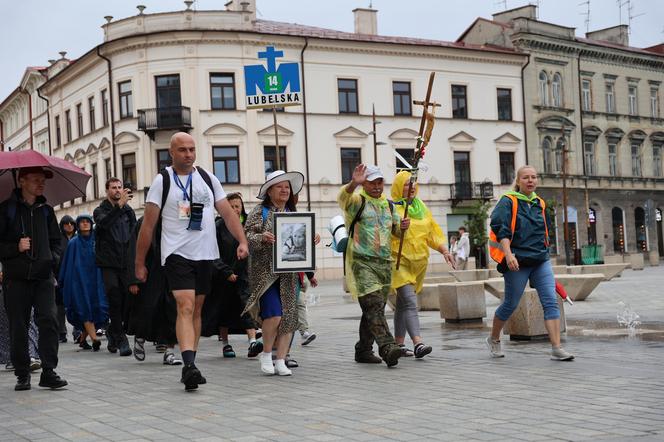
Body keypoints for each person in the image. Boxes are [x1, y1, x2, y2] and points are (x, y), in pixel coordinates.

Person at [136, 132, 248, 391]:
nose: (188, 154)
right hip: (176, 254)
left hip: (206, 254)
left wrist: (242, 241)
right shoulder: (162, 181)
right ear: (171, 153)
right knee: (184, 306)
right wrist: (139, 263)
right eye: (182, 150)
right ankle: (188, 364)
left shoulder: (208, 178)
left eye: (191, 149)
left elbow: (228, 214)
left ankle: (191, 362)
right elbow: (148, 226)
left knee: (197, 309)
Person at [486, 165, 574, 361]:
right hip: (517, 261)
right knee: (510, 304)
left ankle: (556, 348)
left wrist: (545, 253)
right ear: (518, 181)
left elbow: (545, 231)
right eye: (526, 177)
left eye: (534, 177)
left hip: (540, 260)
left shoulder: (540, 203)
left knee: (551, 302)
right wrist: (508, 255)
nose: (530, 180)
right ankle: (494, 339)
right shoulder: (508, 201)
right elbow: (502, 231)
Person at [243, 170, 318, 376]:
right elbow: (247, 236)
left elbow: (301, 243)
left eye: (287, 187)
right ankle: (267, 353)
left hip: (289, 275)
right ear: (269, 191)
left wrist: (312, 238)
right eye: (279, 186)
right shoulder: (260, 212)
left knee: (289, 318)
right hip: (265, 275)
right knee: (274, 315)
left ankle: (281, 359)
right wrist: (261, 238)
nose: (285, 190)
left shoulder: (295, 214)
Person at [0, 166, 68, 390]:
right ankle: (22, 373)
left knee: (49, 320)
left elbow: (57, 242)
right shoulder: (6, 210)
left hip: (43, 277)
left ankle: (49, 371)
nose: (41, 184)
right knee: (18, 326)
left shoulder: (46, 211)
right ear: (22, 181)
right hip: (16, 279)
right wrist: (15, 247)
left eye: (43, 180)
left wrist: (52, 259)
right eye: (36, 180)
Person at [338, 164, 409, 368]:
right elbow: (343, 199)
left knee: (374, 307)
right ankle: (387, 347)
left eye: (379, 182)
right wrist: (353, 183)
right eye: (372, 182)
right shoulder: (357, 201)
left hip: (384, 264)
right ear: (365, 183)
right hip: (362, 262)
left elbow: (395, 231)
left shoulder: (389, 205)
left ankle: (363, 349)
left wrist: (402, 227)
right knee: (373, 305)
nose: (377, 186)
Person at [389, 171, 456, 358]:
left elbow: (432, 233)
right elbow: (384, 232)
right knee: (410, 302)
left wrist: (444, 251)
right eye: (405, 184)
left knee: (403, 305)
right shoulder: (392, 208)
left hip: (418, 264)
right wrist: (397, 229)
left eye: (413, 183)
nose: (411, 187)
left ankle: (399, 345)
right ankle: (418, 343)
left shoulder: (421, 208)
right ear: (397, 187)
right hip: (399, 262)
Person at [201, 192, 262, 359]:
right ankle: (226, 344)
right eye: (231, 206)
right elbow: (212, 253)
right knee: (224, 310)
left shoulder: (249, 225)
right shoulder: (218, 226)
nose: (235, 210)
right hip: (223, 276)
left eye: (238, 206)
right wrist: (225, 271)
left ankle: (252, 343)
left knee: (246, 306)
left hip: (243, 275)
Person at [94, 177, 138, 357]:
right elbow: (103, 225)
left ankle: (113, 331)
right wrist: (118, 206)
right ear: (107, 191)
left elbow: (134, 235)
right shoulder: (100, 210)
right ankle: (121, 339)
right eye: (113, 188)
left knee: (127, 300)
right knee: (114, 298)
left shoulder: (128, 211)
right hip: (108, 262)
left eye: (120, 187)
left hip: (125, 262)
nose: (118, 190)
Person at [128, 217, 181, 366]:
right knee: (148, 308)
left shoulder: (176, 219)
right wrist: (133, 279)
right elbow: (133, 250)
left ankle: (169, 351)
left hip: (173, 270)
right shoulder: (143, 222)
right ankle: (140, 336)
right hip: (150, 272)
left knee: (172, 310)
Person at [58, 215, 108, 352]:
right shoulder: (73, 243)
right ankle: (95, 340)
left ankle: (82, 339)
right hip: (79, 282)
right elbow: (67, 265)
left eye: (87, 222)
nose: (85, 224)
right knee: (85, 308)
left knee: (96, 308)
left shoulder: (96, 241)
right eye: (82, 222)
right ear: (78, 225)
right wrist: (64, 282)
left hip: (96, 280)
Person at [55, 215, 76, 343]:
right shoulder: (58, 240)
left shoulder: (77, 238)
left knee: (76, 304)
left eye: (71, 223)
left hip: (76, 276)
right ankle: (61, 332)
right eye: (66, 224)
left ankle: (78, 330)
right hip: (61, 276)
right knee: (60, 306)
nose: (69, 226)